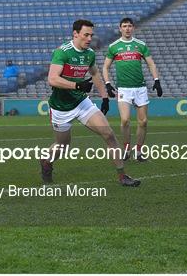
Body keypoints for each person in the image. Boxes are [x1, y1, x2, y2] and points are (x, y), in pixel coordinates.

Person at [42, 19, 140, 187]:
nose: (89, 39)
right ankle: (46, 162)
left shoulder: (89, 54)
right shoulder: (62, 52)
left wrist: (104, 97)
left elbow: (94, 74)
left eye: (91, 35)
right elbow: (52, 79)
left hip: (81, 103)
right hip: (61, 108)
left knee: (109, 134)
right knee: (63, 145)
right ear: (75, 34)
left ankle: (122, 176)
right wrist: (77, 85)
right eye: (85, 35)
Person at [102, 17, 163, 161]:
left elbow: (151, 64)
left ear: (133, 28)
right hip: (124, 89)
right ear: (120, 28)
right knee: (125, 120)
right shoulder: (114, 46)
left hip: (140, 88)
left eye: (130, 26)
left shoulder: (140, 45)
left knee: (143, 122)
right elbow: (105, 67)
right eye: (124, 26)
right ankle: (127, 148)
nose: (127, 28)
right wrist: (108, 83)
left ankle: (139, 151)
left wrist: (156, 80)